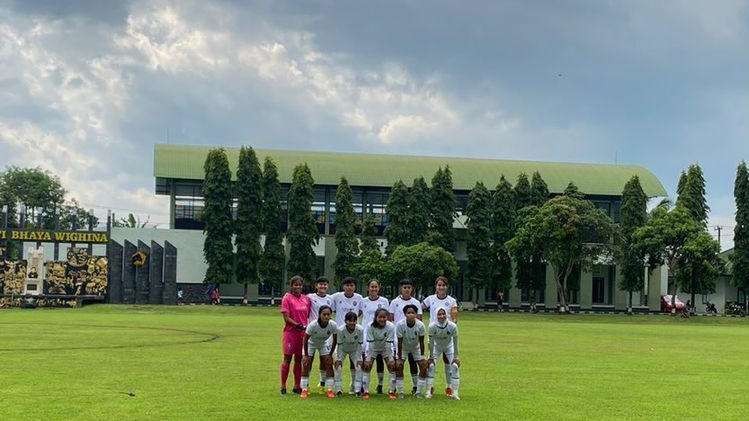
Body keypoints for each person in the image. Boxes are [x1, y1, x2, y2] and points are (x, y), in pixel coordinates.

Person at [422, 276, 459, 390]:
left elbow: (454, 316)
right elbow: (419, 308)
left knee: (449, 362)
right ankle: (430, 387)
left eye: (443, 285)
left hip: (447, 334)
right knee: (431, 362)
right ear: (436, 286)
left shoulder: (451, 300)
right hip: (434, 334)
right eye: (439, 285)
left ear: (446, 287)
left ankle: (449, 386)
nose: (441, 287)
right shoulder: (430, 299)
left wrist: (453, 324)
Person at [389, 278, 423, 394]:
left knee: (413, 362)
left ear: (412, 289)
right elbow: (391, 319)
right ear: (401, 289)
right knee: (397, 363)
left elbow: (419, 321)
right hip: (398, 338)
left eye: (409, 287)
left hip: (413, 339)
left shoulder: (416, 303)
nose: (407, 289)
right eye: (404, 287)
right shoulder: (394, 302)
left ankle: (415, 387)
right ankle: (394, 388)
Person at [330, 276, 363, 394]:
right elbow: (328, 306)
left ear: (355, 287)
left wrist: (352, 322)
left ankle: (355, 386)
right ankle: (337, 387)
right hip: (340, 334)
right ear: (343, 286)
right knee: (337, 363)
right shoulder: (336, 296)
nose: (349, 287)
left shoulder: (359, 298)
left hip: (354, 334)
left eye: (352, 285)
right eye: (347, 285)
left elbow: (360, 311)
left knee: (356, 364)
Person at [279, 275, 311, 395]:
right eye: (295, 284)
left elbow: (308, 316)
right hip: (291, 332)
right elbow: (286, 318)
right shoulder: (287, 298)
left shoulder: (306, 299)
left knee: (299, 359)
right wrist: (298, 325)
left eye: (299, 284)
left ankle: (297, 385)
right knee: (287, 358)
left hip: (302, 333)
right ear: (291, 286)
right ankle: (283, 385)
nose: (297, 286)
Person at [360, 279, 390, 394]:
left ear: (379, 288)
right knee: (366, 359)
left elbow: (387, 317)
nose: (373, 289)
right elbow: (358, 313)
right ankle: (363, 385)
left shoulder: (384, 301)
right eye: (371, 287)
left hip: (381, 333)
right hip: (366, 333)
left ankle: (380, 384)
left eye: (375, 287)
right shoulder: (363, 301)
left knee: (380, 359)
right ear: (368, 288)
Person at [301, 305, 337, 399]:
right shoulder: (313, 325)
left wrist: (330, 354)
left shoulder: (333, 324)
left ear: (330, 315)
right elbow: (305, 339)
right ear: (319, 314)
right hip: (310, 343)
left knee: (328, 364)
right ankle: (304, 389)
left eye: (328, 314)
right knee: (306, 364)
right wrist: (306, 355)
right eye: (324, 314)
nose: (326, 316)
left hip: (323, 343)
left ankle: (329, 389)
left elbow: (335, 340)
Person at [361, 308, 396, 400]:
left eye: (384, 317)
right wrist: (368, 359)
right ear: (376, 317)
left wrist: (391, 360)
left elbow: (389, 345)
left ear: (387, 317)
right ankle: (366, 391)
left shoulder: (391, 326)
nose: (382, 319)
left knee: (392, 367)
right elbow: (370, 344)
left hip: (386, 348)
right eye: (380, 317)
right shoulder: (370, 326)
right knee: (367, 367)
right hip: (373, 348)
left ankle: (391, 391)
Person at [427, 308, 461, 400]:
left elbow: (455, 342)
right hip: (436, 347)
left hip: (449, 347)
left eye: (443, 314)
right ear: (436, 315)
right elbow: (430, 342)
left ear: (446, 315)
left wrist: (456, 357)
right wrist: (430, 356)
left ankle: (455, 392)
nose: (441, 316)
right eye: (439, 314)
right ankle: (429, 390)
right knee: (430, 366)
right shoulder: (432, 326)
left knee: (454, 366)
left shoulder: (452, 326)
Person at [396, 304, 428, 398]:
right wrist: (399, 358)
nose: (410, 315)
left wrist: (422, 356)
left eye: (412, 313)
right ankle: (400, 392)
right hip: (404, 348)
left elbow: (422, 342)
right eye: (408, 313)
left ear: (416, 314)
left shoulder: (420, 325)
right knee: (398, 365)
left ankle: (418, 392)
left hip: (416, 348)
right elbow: (399, 342)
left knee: (424, 365)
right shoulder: (400, 325)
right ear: (405, 314)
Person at [307, 276, 334, 388]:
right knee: (309, 359)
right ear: (316, 286)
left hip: (326, 334)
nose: (322, 286)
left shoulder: (330, 299)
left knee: (324, 359)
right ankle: (306, 383)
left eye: (325, 284)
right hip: (312, 332)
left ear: (327, 286)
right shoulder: (310, 297)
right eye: (320, 284)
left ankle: (322, 382)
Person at [334, 311, 364, 397]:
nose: (352, 323)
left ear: (356, 321)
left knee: (359, 367)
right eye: (349, 321)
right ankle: (338, 389)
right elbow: (339, 345)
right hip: (342, 349)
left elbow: (359, 345)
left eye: (354, 321)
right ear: (345, 321)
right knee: (338, 367)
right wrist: (339, 359)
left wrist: (359, 359)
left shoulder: (360, 329)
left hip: (354, 350)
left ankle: (357, 390)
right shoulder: (340, 330)